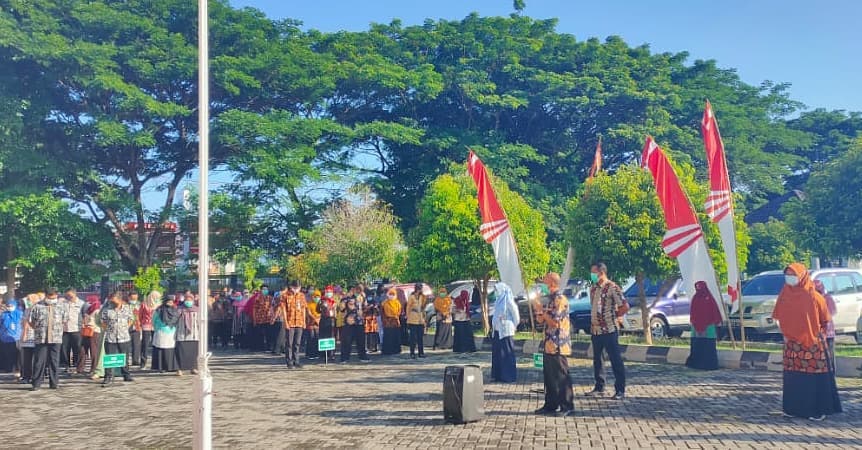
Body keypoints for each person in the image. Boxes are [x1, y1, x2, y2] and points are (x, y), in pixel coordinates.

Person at [772, 263, 841, 421]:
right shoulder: (784, 294)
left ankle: (815, 409)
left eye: (793, 274)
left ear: (802, 275)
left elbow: (825, 319)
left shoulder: (814, 296)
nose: (790, 278)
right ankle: (793, 409)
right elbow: (778, 315)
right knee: (793, 377)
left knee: (812, 378)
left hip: (812, 344)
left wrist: (816, 335)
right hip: (791, 345)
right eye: (787, 274)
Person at [533, 273, 574, 416]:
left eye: (545, 282)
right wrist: (538, 308)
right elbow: (540, 321)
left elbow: (555, 322)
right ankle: (550, 404)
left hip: (558, 344)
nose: (542, 285)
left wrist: (543, 313)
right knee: (549, 377)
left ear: (552, 283)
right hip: (548, 344)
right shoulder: (549, 300)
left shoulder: (559, 299)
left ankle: (567, 405)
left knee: (561, 376)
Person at [585, 263, 628, 400]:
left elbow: (625, 306)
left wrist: (614, 315)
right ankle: (599, 386)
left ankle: (620, 389)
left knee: (615, 359)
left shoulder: (612, 288)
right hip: (596, 330)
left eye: (593, 272)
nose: (592, 275)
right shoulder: (593, 289)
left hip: (609, 329)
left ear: (601, 272)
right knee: (598, 360)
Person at [28, 288, 68, 390]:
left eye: (54, 296)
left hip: (56, 338)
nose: (52, 298)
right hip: (41, 338)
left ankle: (54, 383)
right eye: (50, 296)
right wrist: (39, 329)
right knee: (39, 361)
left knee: (54, 361)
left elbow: (64, 320)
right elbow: (31, 321)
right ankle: (36, 384)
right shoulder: (37, 306)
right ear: (46, 295)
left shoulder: (62, 306)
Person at [99, 292, 135, 387]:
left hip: (124, 337)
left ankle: (126, 375)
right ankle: (108, 377)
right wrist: (108, 329)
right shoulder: (107, 309)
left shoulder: (127, 308)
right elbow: (102, 321)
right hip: (110, 337)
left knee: (125, 357)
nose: (112, 301)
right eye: (111, 300)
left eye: (114, 300)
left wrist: (126, 327)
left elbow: (131, 319)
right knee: (109, 358)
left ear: (119, 299)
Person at [685, 281, 722, 370]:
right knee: (697, 345)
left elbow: (714, 311)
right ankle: (696, 364)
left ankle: (708, 365)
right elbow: (693, 312)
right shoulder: (695, 298)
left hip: (708, 325)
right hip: (696, 326)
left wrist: (717, 321)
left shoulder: (709, 298)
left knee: (708, 346)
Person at [273, 280, 306, 368]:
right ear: (291, 287)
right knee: (289, 343)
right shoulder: (285, 296)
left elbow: (303, 309)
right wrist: (286, 322)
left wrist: (304, 321)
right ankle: (289, 361)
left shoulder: (301, 296)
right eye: (295, 288)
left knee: (297, 343)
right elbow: (283, 310)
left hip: (299, 322)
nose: (296, 289)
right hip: (290, 322)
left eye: (298, 288)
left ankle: (296, 360)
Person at [491, 282, 520, 383]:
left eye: (497, 290)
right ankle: (498, 375)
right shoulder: (498, 301)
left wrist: (513, 325)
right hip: (497, 331)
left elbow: (516, 315)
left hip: (506, 330)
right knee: (498, 353)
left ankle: (508, 376)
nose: (495, 292)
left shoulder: (508, 301)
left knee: (507, 353)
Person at [340, 288, 370, 363]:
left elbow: (365, 308)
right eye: (354, 289)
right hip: (349, 322)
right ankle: (344, 358)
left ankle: (363, 357)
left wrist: (366, 307)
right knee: (346, 341)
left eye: (358, 289)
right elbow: (341, 308)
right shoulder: (346, 298)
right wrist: (345, 298)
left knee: (361, 341)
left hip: (359, 322)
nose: (356, 291)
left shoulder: (362, 297)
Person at [152, 294, 180, 373]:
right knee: (160, 349)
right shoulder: (159, 309)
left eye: (171, 301)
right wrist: (157, 328)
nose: (170, 303)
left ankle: (170, 367)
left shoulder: (175, 309)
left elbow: (177, 319)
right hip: (160, 331)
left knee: (170, 349)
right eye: (169, 301)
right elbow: (153, 320)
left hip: (171, 332)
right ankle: (161, 367)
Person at [60, 288, 85, 374]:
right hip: (65, 329)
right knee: (64, 348)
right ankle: (66, 365)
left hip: (76, 329)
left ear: (75, 294)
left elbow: (85, 315)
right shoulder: (63, 303)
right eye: (67, 296)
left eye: (70, 296)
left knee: (77, 348)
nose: (68, 297)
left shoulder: (81, 304)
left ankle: (76, 365)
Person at [814, 279, 837, 368]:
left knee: (830, 355)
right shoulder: (812, 299)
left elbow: (832, 311)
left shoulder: (827, 298)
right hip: (817, 333)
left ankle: (832, 374)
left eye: (818, 290)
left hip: (828, 332)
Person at [175, 294, 201, 376]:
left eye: (190, 300)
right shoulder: (179, 309)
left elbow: (200, 321)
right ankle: (179, 369)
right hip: (182, 333)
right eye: (187, 300)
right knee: (180, 352)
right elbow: (174, 319)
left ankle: (193, 368)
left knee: (193, 353)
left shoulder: (197, 309)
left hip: (194, 334)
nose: (188, 301)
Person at [77, 295, 101, 378]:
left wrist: (93, 327)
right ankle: (80, 368)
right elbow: (84, 318)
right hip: (86, 331)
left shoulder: (97, 310)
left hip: (94, 332)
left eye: (90, 301)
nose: (88, 303)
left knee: (93, 351)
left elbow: (99, 322)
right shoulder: (88, 309)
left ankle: (93, 369)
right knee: (82, 350)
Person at [0, 297, 23, 374]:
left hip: (17, 338)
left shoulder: (19, 313)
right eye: (8, 306)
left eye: (11, 306)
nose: (9, 307)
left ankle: (17, 368)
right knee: (6, 354)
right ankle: (8, 368)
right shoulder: (3, 315)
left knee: (17, 354)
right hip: (5, 338)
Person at [406, 284, 427, 359]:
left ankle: (421, 353)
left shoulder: (422, 297)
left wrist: (424, 317)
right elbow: (408, 307)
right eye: (420, 288)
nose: (421, 290)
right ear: (418, 289)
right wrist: (407, 317)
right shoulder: (411, 297)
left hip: (420, 318)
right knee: (413, 337)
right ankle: (412, 353)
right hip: (413, 318)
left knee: (420, 337)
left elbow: (423, 306)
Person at [139, 291, 159, 369]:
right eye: (155, 297)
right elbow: (140, 315)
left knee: (156, 344)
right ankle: (143, 363)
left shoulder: (159, 305)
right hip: (146, 326)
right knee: (145, 345)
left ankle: (155, 363)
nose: (156, 298)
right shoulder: (144, 304)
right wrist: (141, 324)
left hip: (156, 326)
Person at [251, 286, 274, 352]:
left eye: (266, 289)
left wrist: (272, 317)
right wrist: (254, 319)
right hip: (260, 319)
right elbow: (254, 309)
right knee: (260, 334)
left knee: (269, 334)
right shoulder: (257, 298)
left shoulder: (270, 298)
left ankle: (268, 347)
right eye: (263, 289)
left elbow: (272, 308)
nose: (265, 290)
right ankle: (260, 347)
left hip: (268, 319)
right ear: (261, 290)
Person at [380, 288, 402, 355]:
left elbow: (399, 310)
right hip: (387, 322)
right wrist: (386, 319)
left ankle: (396, 350)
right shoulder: (384, 303)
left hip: (395, 321)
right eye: (390, 294)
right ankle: (387, 350)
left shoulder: (397, 302)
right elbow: (382, 312)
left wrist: (396, 315)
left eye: (393, 294)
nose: (391, 296)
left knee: (395, 336)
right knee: (388, 336)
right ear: (388, 295)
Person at [317, 287, 336, 360]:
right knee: (323, 336)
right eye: (327, 292)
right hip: (324, 319)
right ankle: (322, 354)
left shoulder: (334, 301)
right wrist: (320, 304)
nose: (329, 293)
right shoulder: (322, 300)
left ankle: (331, 354)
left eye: (330, 292)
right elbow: (318, 310)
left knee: (331, 337)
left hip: (332, 320)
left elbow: (336, 311)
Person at [126, 291, 143, 370]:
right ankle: (125, 360)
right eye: (132, 298)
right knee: (126, 345)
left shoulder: (140, 305)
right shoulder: (125, 305)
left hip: (137, 326)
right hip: (127, 327)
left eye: (135, 298)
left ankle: (135, 360)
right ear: (129, 297)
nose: (134, 300)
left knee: (136, 344)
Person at [305, 289, 321, 360]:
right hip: (311, 324)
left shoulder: (320, 305)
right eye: (315, 296)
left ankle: (316, 353)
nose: (316, 298)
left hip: (318, 324)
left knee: (317, 339)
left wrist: (318, 319)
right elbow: (309, 313)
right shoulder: (309, 304)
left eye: (318, 296)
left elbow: (322, 312)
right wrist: (315, 319)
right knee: (311, 338)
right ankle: (310, 354)